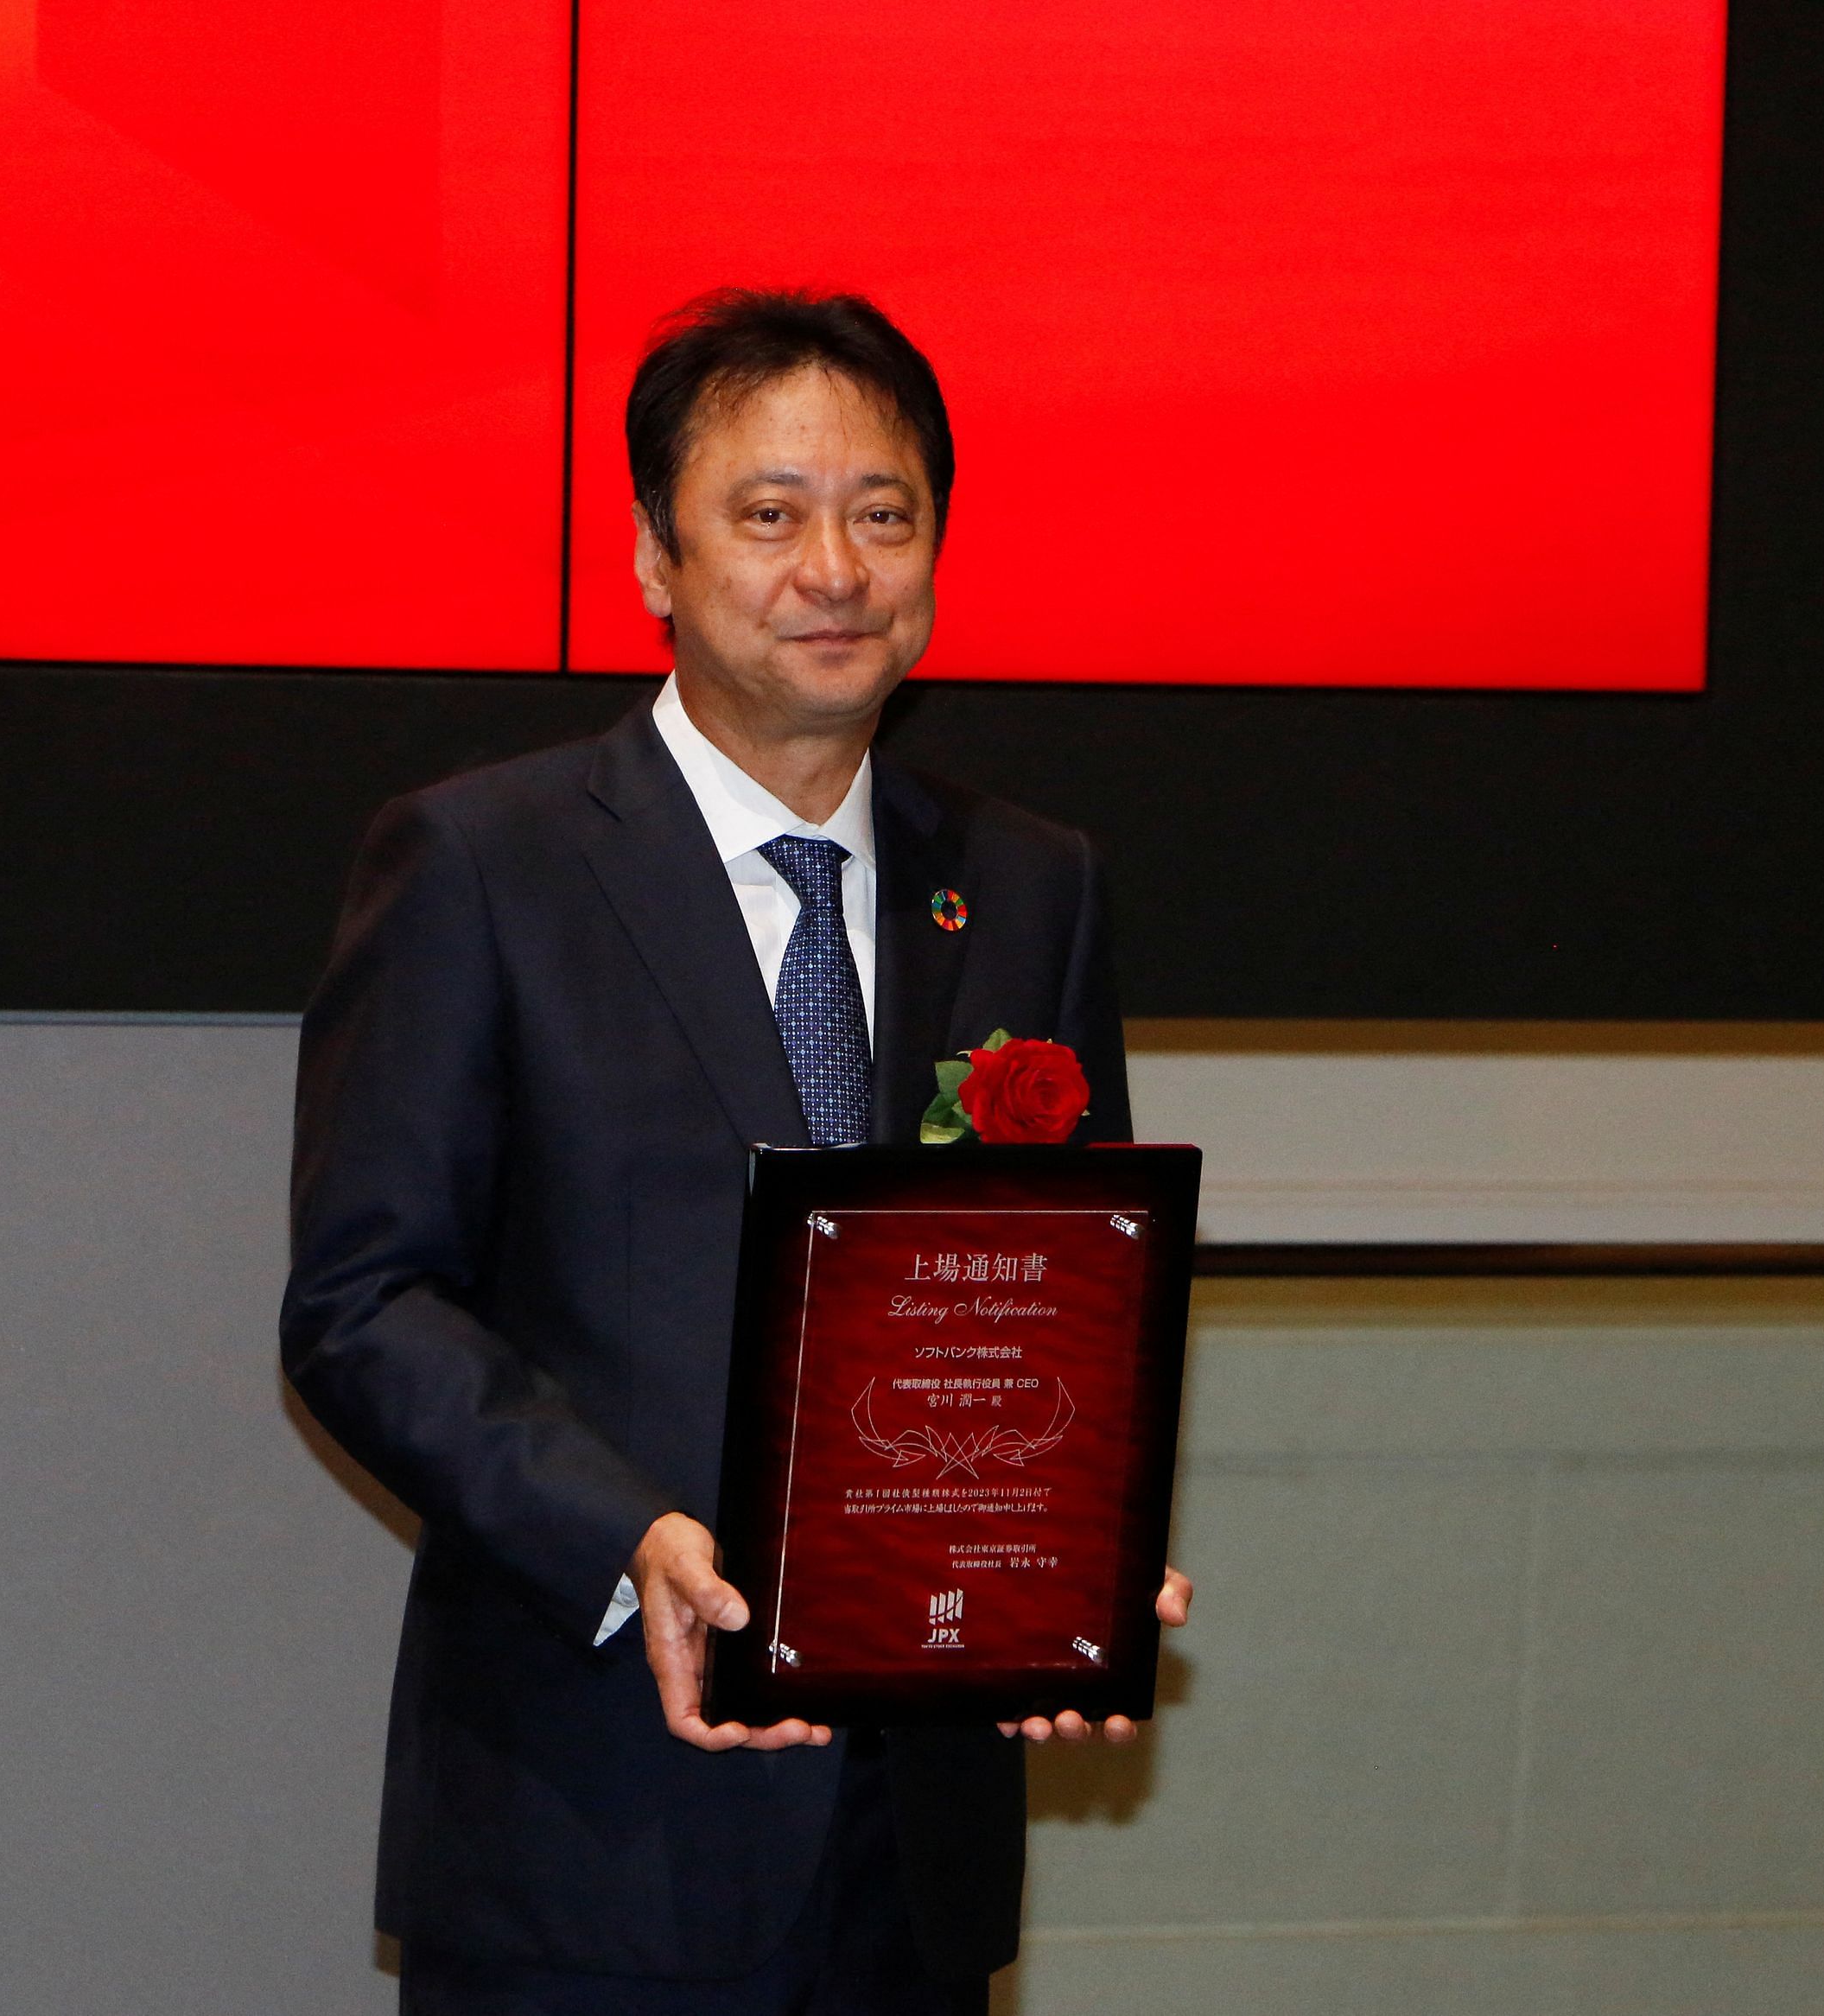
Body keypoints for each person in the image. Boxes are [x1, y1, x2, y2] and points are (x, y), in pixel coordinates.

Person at [281, 289, 1192, 2014]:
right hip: (591, 1822)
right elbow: (361, 1301)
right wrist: (627, 1539)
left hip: (907, 1850)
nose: (833, 569)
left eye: (883, 512)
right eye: (767, 515)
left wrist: (1058, 1548)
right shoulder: (483, 865)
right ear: (653, 556)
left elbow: (1064, 1279)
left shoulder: (1027, 882)